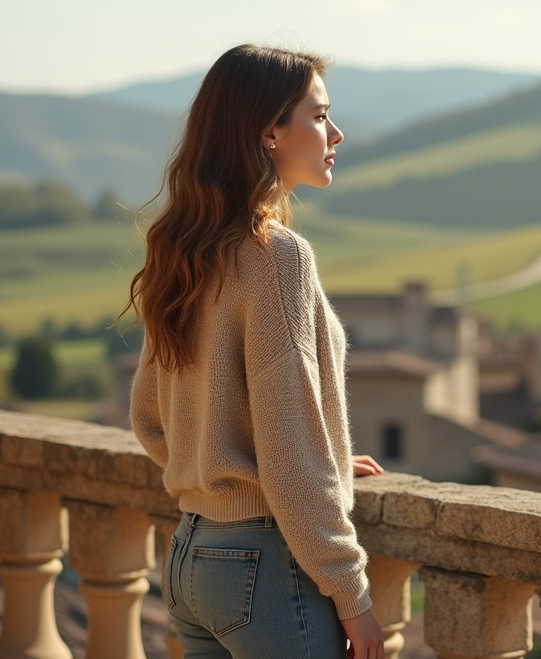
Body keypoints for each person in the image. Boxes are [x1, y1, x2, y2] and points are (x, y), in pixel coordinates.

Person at [124, 44, 387, 658]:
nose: (336, 133)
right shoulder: (277, 258)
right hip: (265, 570)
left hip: (193, 558)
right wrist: (354, 599)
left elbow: (150, 420)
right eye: (319, 115)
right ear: (270, 130)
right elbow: (288, 445)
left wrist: (281, 465)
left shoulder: (185, 250)